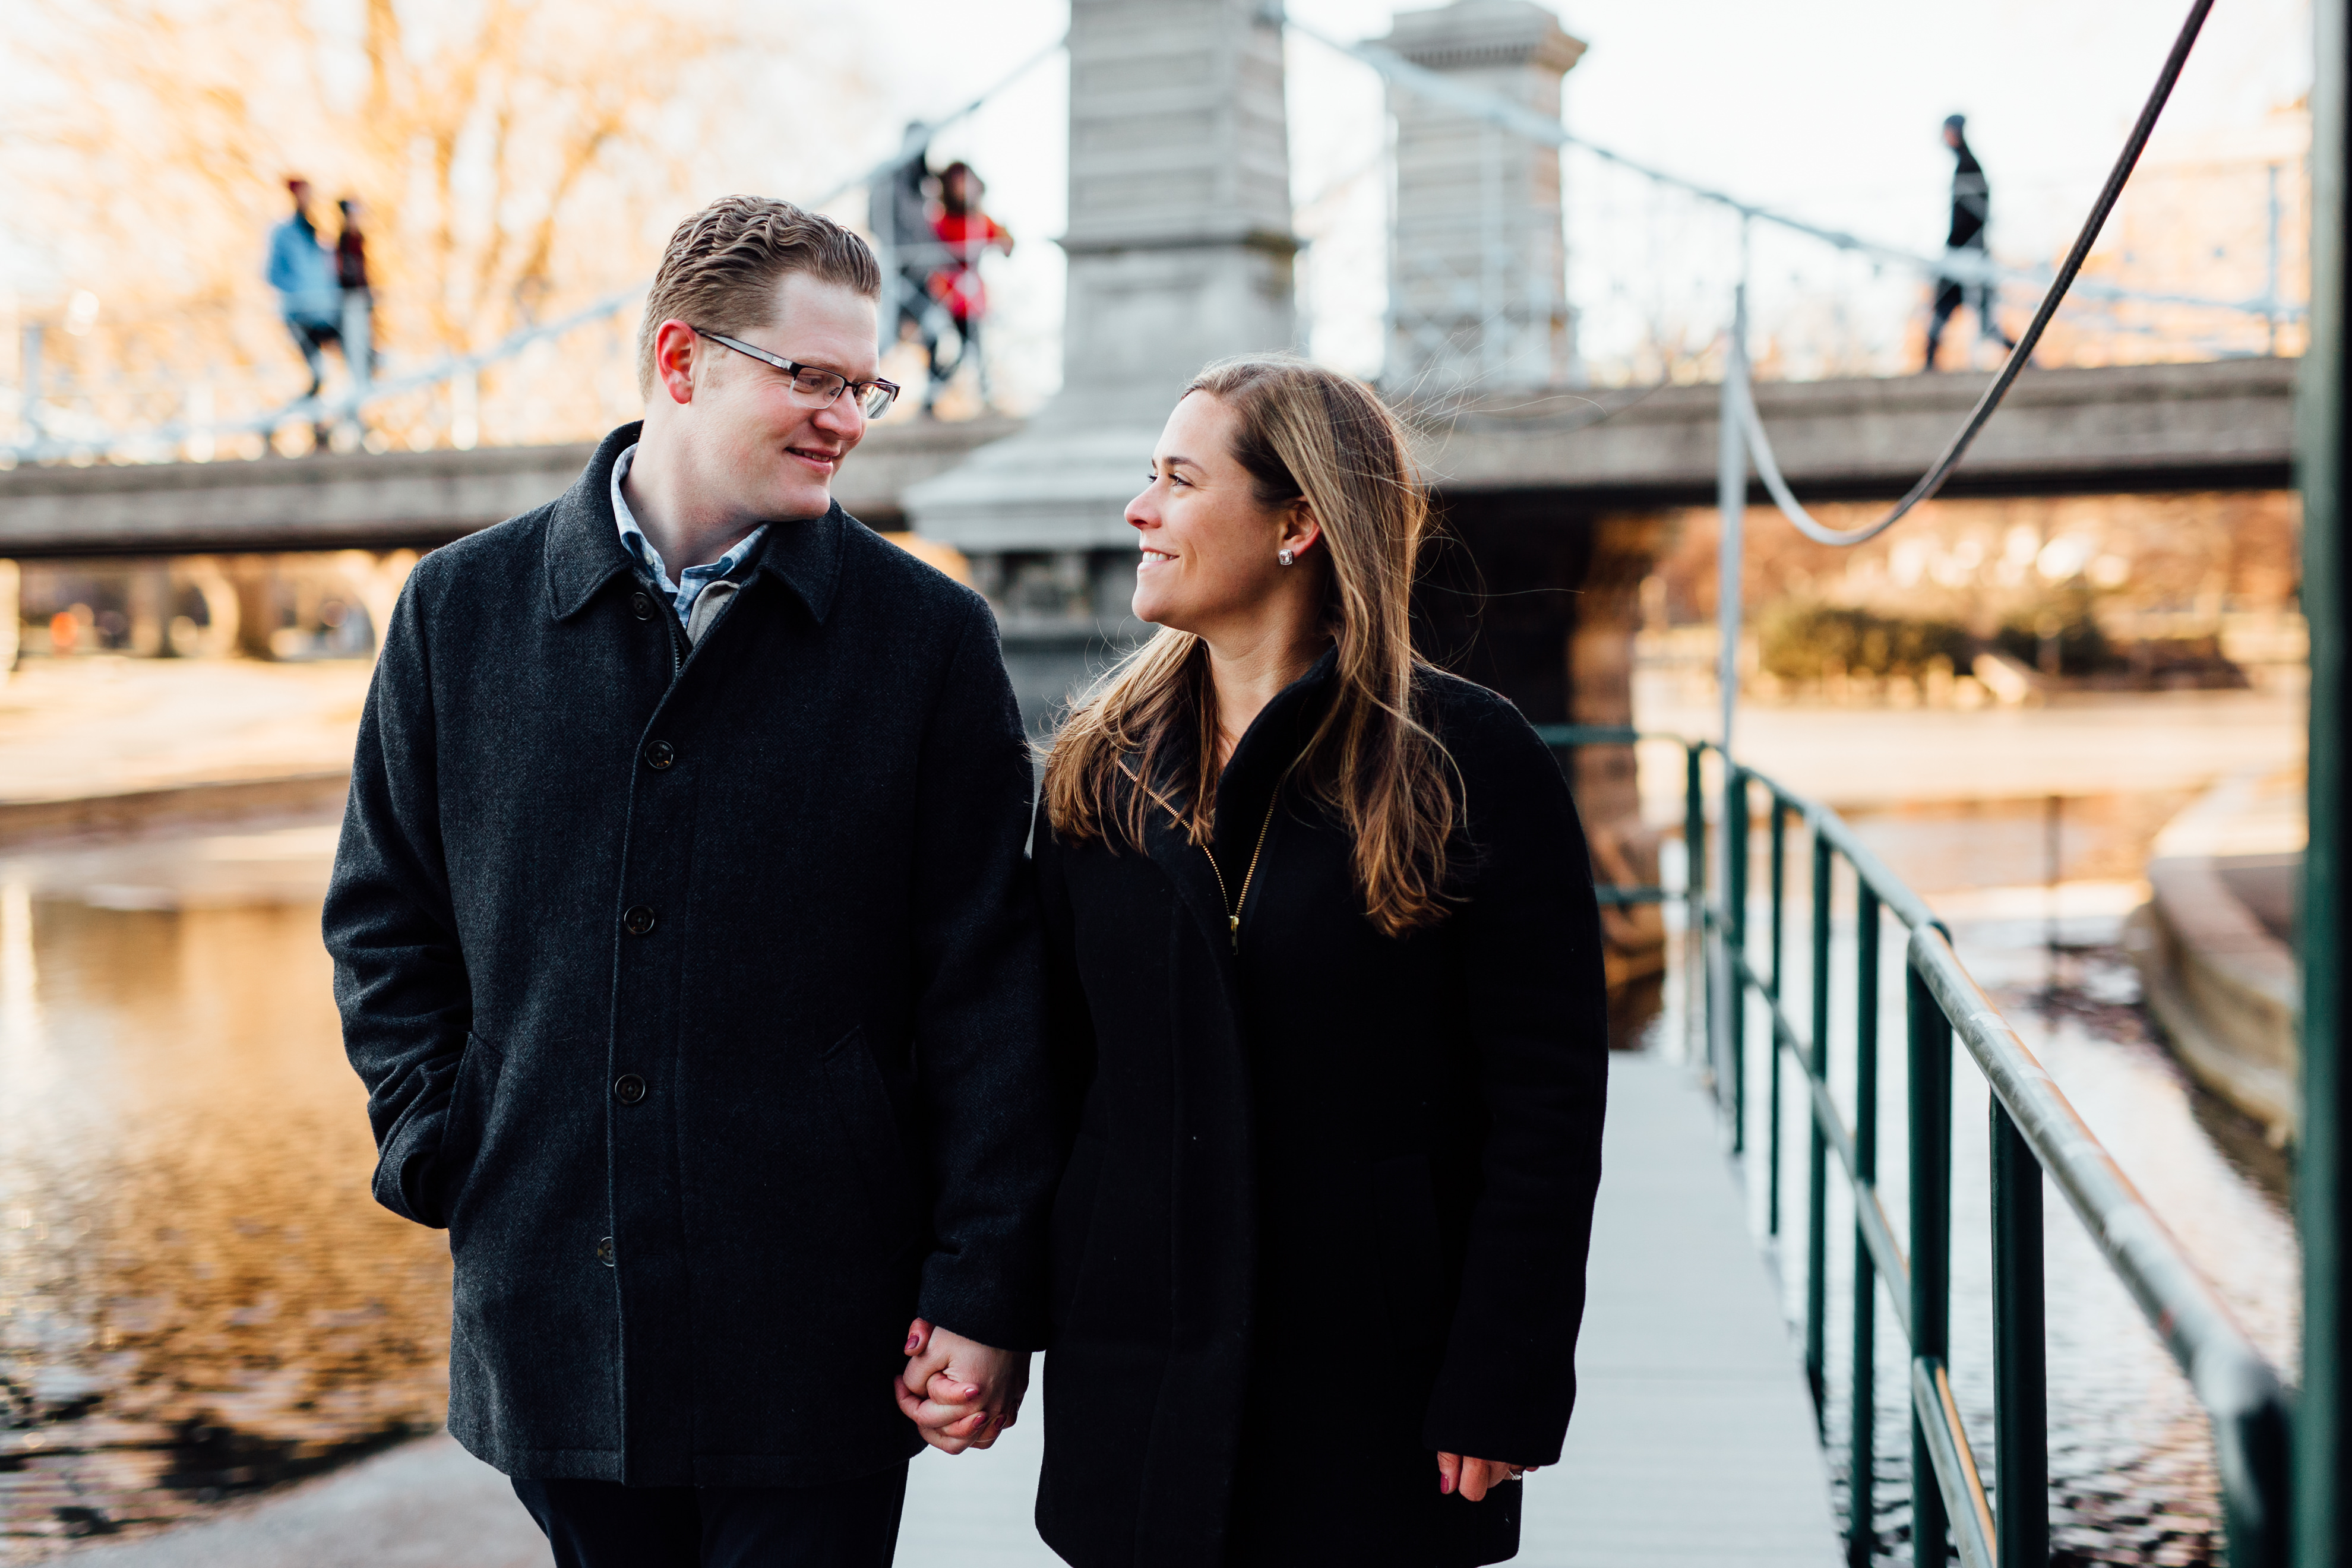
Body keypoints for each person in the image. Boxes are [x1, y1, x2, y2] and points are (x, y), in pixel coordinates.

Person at [324, 195, 1058, 1567]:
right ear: (682, 361)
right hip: (552, 1323)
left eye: (865, 387)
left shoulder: (928, 641)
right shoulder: (457, 612)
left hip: (824, 1332)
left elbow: (987, 991)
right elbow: (384, 918)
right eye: (814, 377)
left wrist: (982, 1286)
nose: (846, 418)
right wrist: (444, 1138)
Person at [1029, 356, 1610, 1567]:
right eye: (1148, 477)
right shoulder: (1099, 763)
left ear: (1296, 522)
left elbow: (1547, 1110)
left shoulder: (1470, 758)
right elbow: (1044, 1069)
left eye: (1179, 481)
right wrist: (983, 1309)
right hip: (1135, 1368)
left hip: (1375, 1379)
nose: (1138, 511)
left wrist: (1503, 1373)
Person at [1924, 114, 2018, 371]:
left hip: (1965, 253)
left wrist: (1954, 248)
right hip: (1969, 251)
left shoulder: (1967, 165)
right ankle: (2024, 357)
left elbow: (1974, 214)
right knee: (1974, 318)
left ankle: (1928, 367)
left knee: (1945, 309)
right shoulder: (1968, 164)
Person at [924, 162, 1012, 412]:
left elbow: (1006, 244)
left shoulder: (981, 221)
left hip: (971, 298)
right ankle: (932, 396)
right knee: (944, 346)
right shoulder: (941, 220)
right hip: (947, 294)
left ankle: (983, 395)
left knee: (973, 349)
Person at [265, 178, 344, 400]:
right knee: (316, 368)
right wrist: (298, 293)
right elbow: (272, 274)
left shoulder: (315, 232)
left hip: (325, 311)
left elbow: (325, 271)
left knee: (346, 347)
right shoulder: (282, 233)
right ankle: (312, 397)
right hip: (300, 313)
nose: (308, 200)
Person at [334, 197, 373, 388]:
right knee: (354, 339)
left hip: (361, 296)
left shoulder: (357, 239)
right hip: (350, 297)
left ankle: (365, 375)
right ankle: (358, 380)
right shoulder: (344, 241)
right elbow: (346, 272)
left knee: (363, 336)